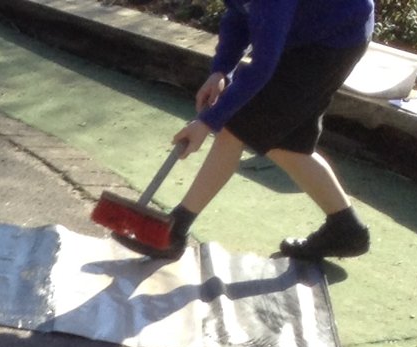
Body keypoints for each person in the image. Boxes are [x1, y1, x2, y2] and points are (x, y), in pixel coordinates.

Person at [158, 0, 375, 261]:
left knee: (235, 128)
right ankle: (346, 229)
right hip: (310, 29)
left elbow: (263, 66)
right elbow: (238, 14)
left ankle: (174, 230)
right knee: (287, 143)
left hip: (334, 38)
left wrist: (207, 122)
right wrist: (220, 70)